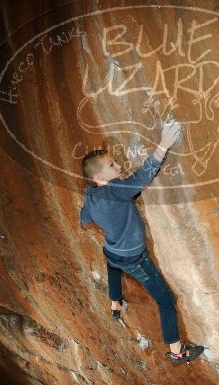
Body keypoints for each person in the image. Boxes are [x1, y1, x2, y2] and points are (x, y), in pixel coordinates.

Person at [79, 119, 204, 365]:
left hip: (114, 251)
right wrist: (164, 145)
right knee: (166, 299)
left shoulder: (91, 195)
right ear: (99, 175)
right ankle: (177, 351)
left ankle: (115, 303)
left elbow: (84, 218)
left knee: (112, 261)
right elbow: (143, 176)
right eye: (112, 165)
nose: (118, 168)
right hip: (133, 257)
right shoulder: (116, 190)